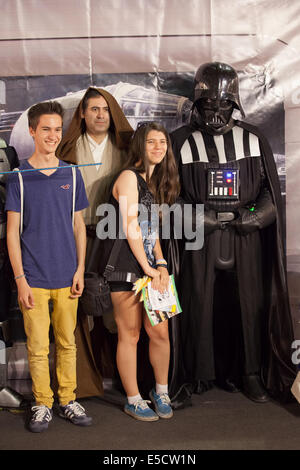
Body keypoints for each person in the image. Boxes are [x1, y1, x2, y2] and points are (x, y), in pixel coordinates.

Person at [171, 62, 296, 403]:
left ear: (235, 103)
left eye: (223, 104)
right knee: (197, 303)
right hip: (198, 239)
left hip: (246, 238)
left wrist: (251, 218)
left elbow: (271, 194)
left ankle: (249, 371)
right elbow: (168, 195)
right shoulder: (179, 141)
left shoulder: (253, 138)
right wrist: (200, 218)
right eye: (209, 104)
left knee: (249, 303)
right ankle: (198, 373)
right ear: (197, 103)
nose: (216, 112)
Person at [5, 101, 92, 432]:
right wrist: (21, 280)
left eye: (58, 129)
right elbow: (12, 234)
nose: (53, 135)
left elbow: (78, 226)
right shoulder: (18, 179)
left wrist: (80, 268)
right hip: (34, 278)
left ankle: (68, 399)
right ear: (32, 131)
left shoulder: (72, 173)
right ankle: (43, 403)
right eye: (46, 129)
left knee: (67, 343)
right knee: (38, 347)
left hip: (67, 275)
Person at [57, 87, 133, 399]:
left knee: (116, 314)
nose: (100, 115)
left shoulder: (127, 148)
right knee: (81, 311)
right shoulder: (68, 149)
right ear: (83, 114)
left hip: (116, 241)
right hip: (79, 239)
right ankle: (84, 381)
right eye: (94, 109)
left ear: (112, 113)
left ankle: (119, 376)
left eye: (105, 109)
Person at [101, 121, 180, 420]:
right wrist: (146, 266)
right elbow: (131, 226)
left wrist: (160, 264)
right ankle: (133, 398)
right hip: (125, 266)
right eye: (151, 142)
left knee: (160, 332)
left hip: (150, 267)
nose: (158, 147)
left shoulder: (153, 180)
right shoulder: (128, 178)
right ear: (139, 145)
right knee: (130, 334)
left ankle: (161, 391)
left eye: (162, 142)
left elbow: (152, 230)